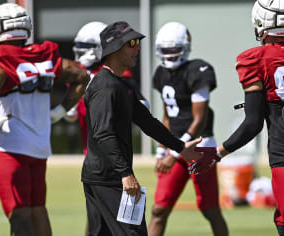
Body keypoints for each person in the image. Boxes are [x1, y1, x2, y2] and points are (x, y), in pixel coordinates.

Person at [188, 0, 284, 235]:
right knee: (283, 220)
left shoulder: (256, 59)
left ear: (261, 22)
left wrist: (218, 153)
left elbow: (252, 123)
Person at [0, 3, 89, 236]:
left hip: (10, 146)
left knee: (19, 216)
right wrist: (58, 111)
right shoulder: (41, 53)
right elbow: (81, 75)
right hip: (38, 145)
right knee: (38, 211)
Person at [81, 21, 202, 236]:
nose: (138, 48)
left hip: (107, 177)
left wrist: (180, 147)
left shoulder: (121, 85)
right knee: (134, 233)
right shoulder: (105, 87)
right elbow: (104, 134)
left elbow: (147, 122)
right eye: (132, 43)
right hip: (108, 179)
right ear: (116, 48)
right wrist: (125, 173)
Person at [148, 22, 228, 236]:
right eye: (165, 50)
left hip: (199, 149)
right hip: (174, 149)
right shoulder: (161, 74)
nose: (169, 54)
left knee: (210, 210)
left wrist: (173, 153)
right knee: (159, 209)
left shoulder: (198, 70)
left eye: (174, 49)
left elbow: (199, 120)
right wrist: (160, 150)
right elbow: (167, 117)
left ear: (184, 47)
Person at [65, 21, 149, 155]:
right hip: (90, 150)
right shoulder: (77, 71)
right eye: (80, 45)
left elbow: (142, 105)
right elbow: (71, 115)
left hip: (115, 148)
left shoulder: (115, 69)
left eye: (86, 46)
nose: (81, 49)